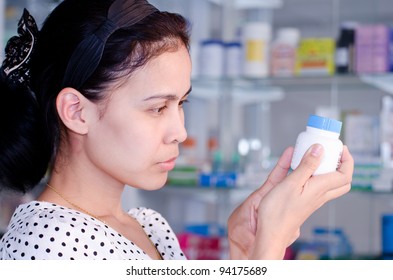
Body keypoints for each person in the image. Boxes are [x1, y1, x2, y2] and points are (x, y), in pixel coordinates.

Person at [0, 0, 353, 260]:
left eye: (180, 104)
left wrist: (244, 255)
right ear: (77, 111)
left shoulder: (150, 226)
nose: (180, 132)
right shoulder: (46, 239)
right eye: (157, 108)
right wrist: (270, 247)